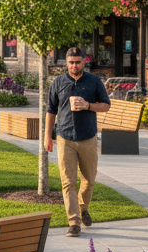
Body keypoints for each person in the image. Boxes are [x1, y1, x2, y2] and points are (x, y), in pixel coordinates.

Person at [45, 47, 110, 237]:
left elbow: (106, 105)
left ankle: (82, 208)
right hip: (65, 137)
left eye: (78, 62)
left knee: (89, 180)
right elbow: (51, 111)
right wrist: (48, 136)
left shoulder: (94, 81)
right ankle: (74, 223)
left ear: (84, 62)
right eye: (71, 62)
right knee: (68, 182)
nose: (74, 65)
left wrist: (88, 105)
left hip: (88, 137)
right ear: (66, 63)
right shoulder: (58, 82)